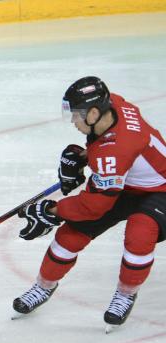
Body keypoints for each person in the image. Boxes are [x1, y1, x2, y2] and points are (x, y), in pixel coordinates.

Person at [13, 76, 166, 328]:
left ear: (94, 113)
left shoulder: (115, 152)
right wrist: (83, 157)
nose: (73, 121)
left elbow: (94, 205)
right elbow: (111, 149)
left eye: (76, 115)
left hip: (160, 189)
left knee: (140, 233)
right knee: (69, 236)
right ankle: (43, 287)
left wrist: (51, 210)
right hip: (126, 182)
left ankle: (126, 294)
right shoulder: (113, 106)